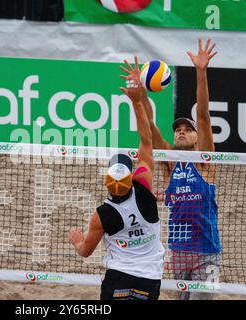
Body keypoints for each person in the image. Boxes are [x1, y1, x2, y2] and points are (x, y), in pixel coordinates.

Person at [69, 56, 165, 300]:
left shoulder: (102, 215)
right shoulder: (143, 187)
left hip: (118, 277)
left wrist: (77, 241)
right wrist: (136, 100)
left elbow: (85, 252)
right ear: (132, 176)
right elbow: (146, 140)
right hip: (150, 279)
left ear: (107, 182)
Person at [140, 39, 221, 300]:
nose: (182, 132)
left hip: (206, 251)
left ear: (198, 138)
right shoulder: (169, 163)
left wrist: (201, 72)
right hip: (178, 251)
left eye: (187, 130)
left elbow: (204, 116)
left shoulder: (204, 161)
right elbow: (149, 126)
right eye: (178, 130)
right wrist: (139, 95)